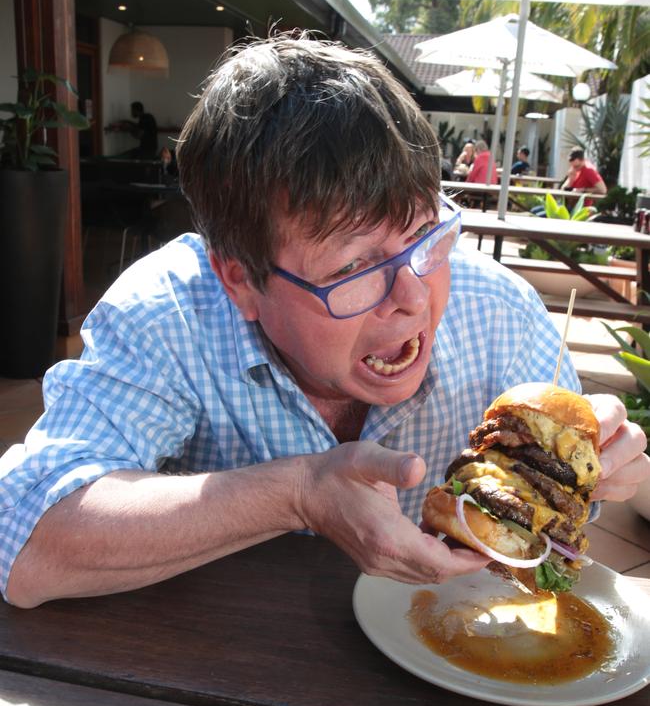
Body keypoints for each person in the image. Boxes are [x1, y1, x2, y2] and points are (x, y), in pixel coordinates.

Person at [1, 34, 647, 609]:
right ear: (241, 280)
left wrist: (608, 471)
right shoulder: (167, 314)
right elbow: (26, 542)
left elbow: (563, 542)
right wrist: (298, 492)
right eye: (354, 267)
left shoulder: (500, 316)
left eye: (427, 236)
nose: (413, 297)